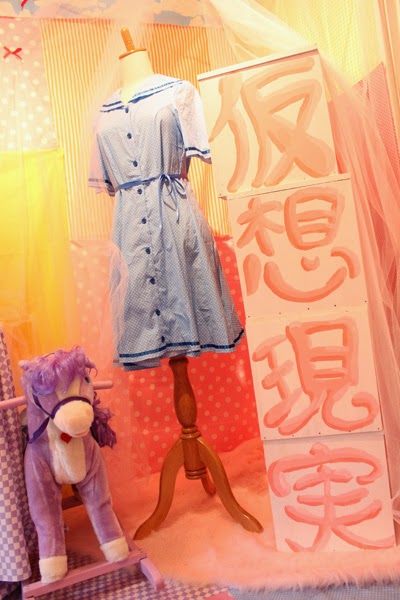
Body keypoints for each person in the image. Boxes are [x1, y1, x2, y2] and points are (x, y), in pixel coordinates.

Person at [89, 44, 244, 371]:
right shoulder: (103, 111)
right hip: (129, 225)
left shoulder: (178, 92)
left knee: (187, 296)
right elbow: (108, 181)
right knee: (138, 301)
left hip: (174, 214)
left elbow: (206, 150)